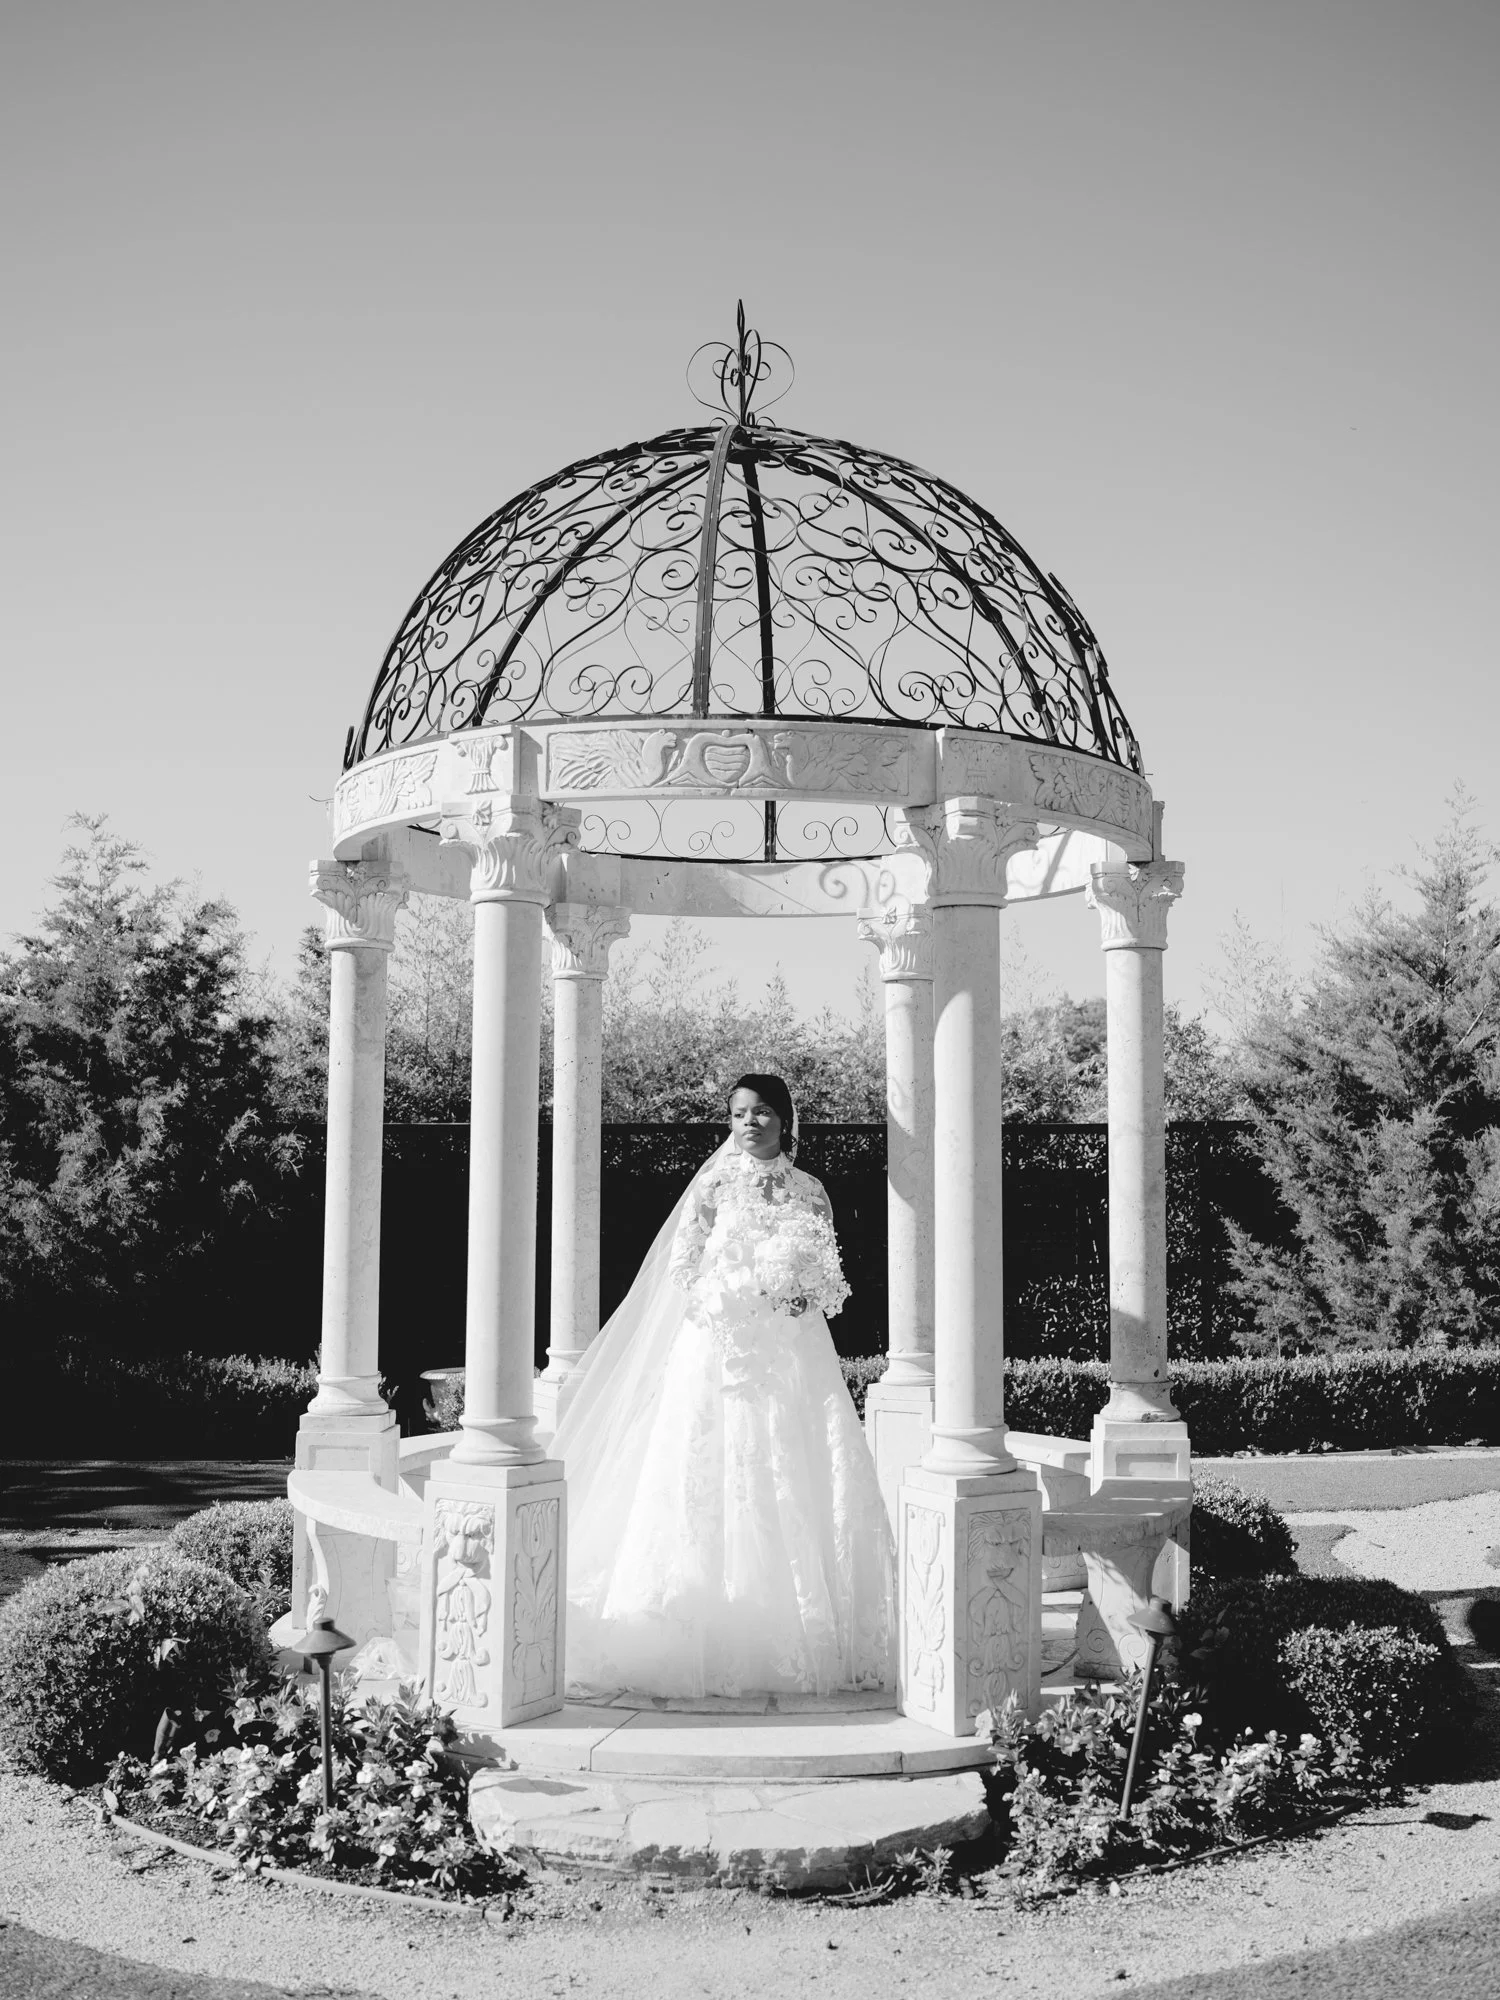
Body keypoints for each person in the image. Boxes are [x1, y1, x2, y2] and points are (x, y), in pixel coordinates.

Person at [551, 1073, 894, 1699]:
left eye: (761, 1112)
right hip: (719, 1345)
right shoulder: (713, 1185)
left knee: (797, 1464)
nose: (749, 1123)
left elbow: (830, 1275)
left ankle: (811, 1623)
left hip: (791, 1350)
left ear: (784, 1119)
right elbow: (683, 1264)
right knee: (705, 1469)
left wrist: (801, 1297)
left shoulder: (811, 1192)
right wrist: (729, 1295)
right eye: (739, 1114)